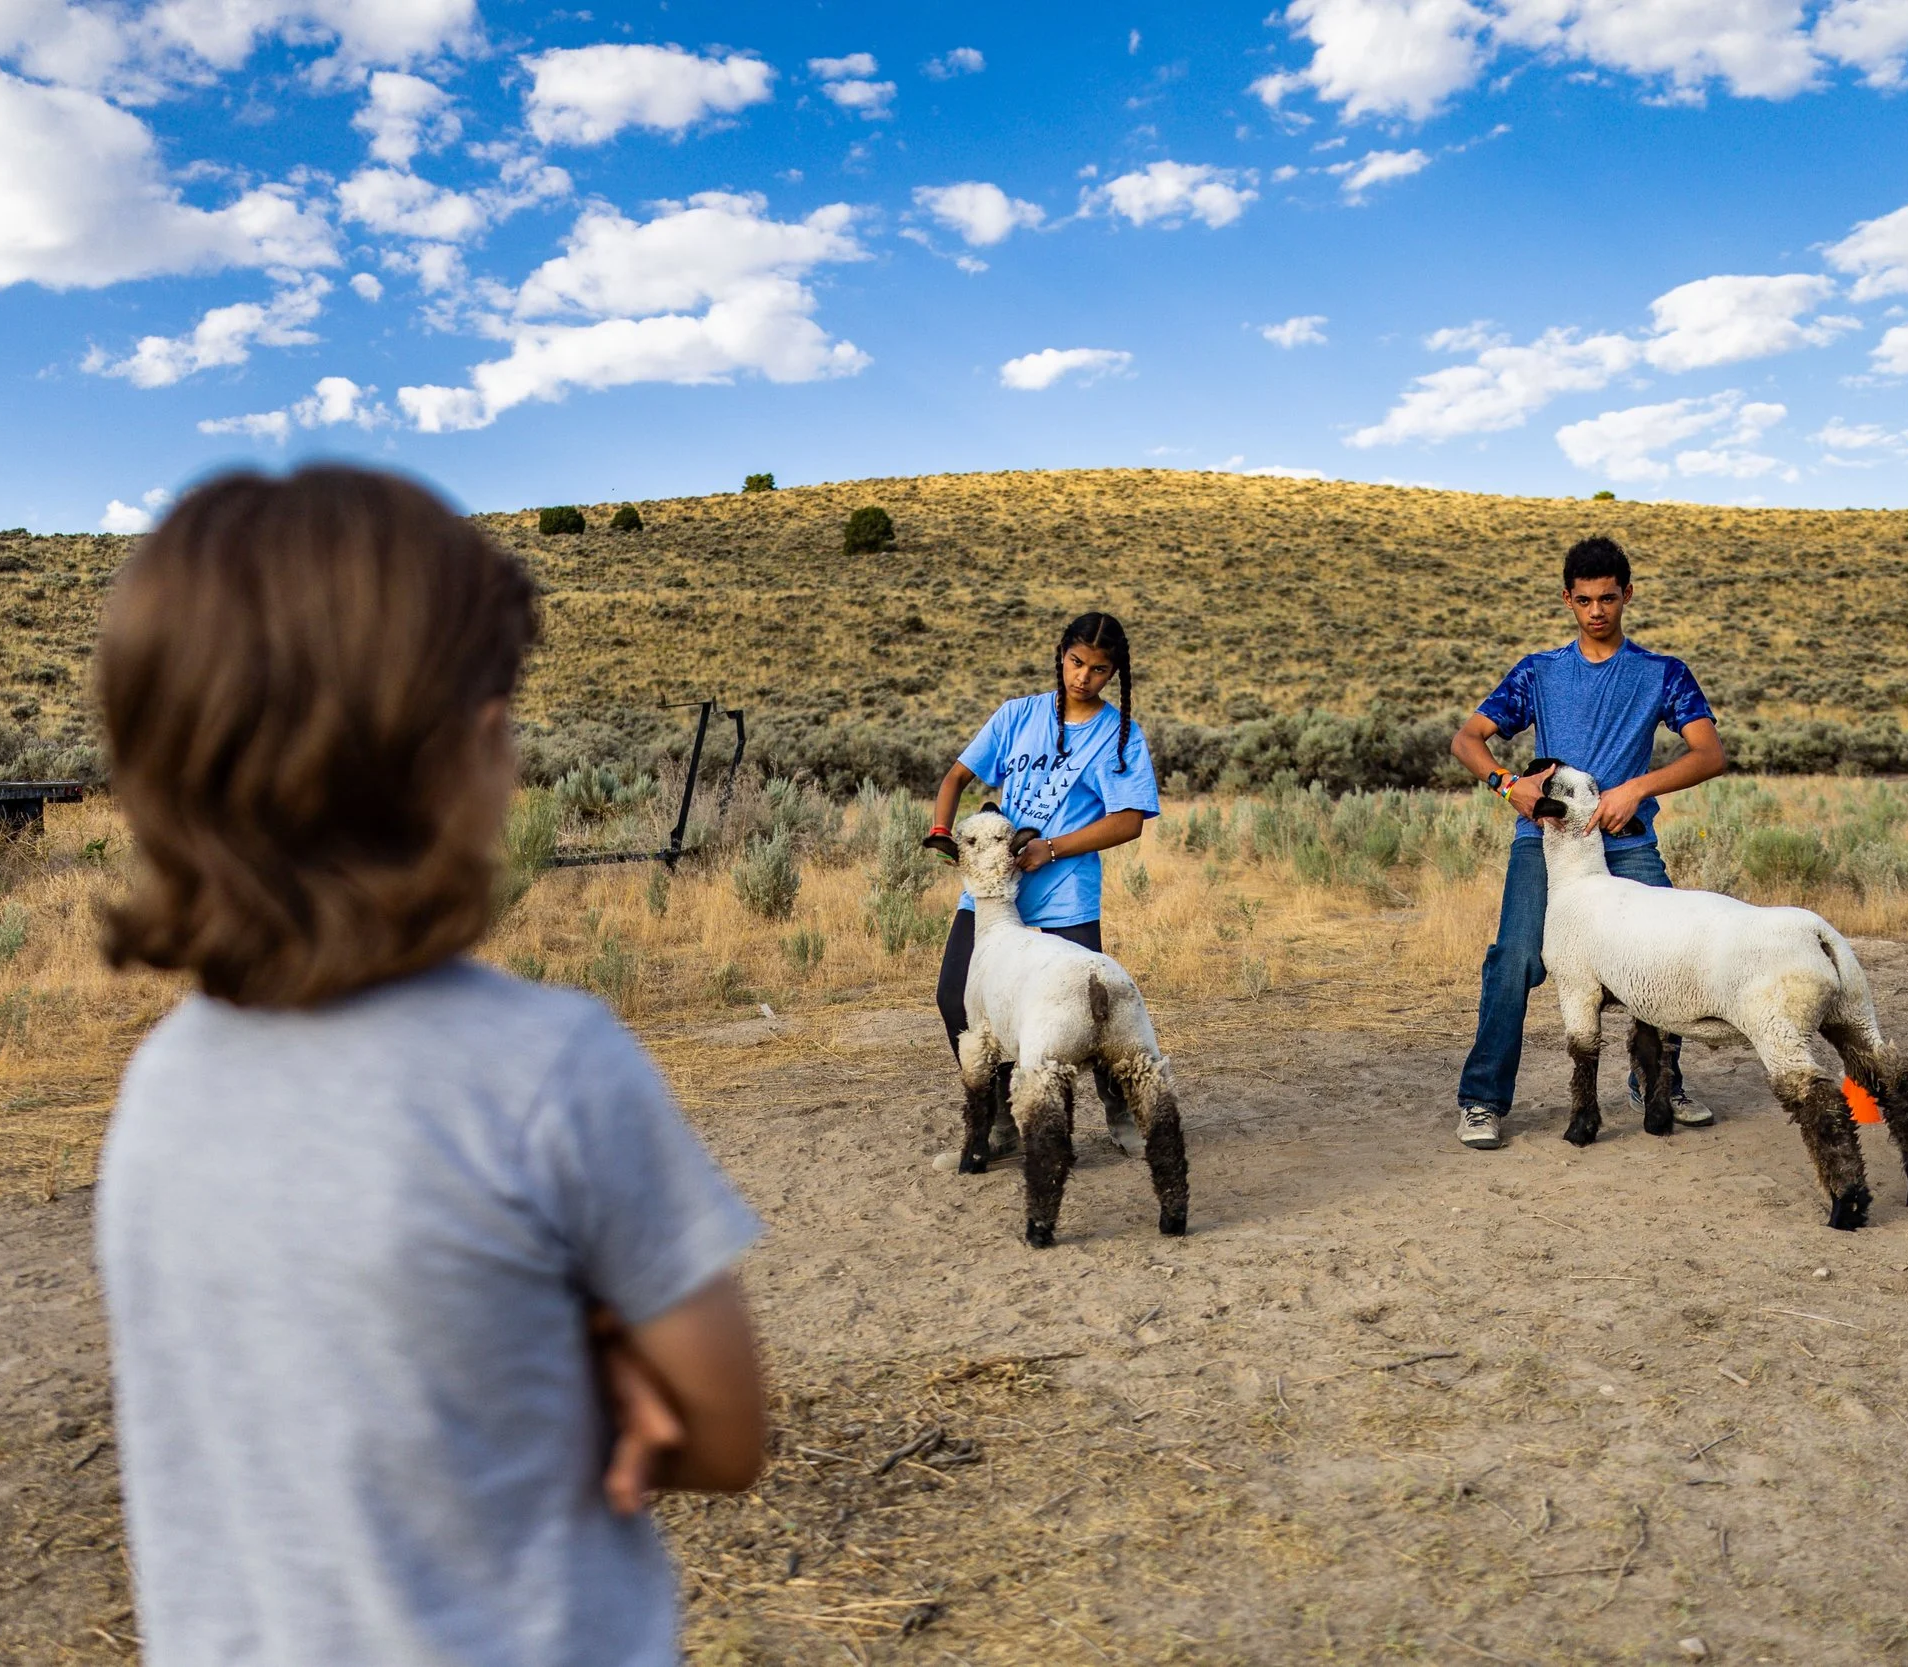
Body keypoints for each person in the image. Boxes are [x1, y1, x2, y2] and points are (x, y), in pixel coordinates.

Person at [92, 465, 767, 1667]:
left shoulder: (160, 1089)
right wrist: (601, 1352)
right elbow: (724, 1429)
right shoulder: (545, 1070)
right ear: (473, 751)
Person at [1451, 534, 1726, 1150]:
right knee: (1516, 958)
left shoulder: (1662, 674)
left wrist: (1634, 790)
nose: (1596, 610)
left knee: (1665, 953)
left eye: (1608, 598)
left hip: (1624, 840)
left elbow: (1709, 754)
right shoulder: (1540, 672)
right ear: (1568, 601)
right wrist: (1507, 786)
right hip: (1545, 842)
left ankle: (1657, 1081)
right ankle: (1482, 1100)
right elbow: (1467, 739)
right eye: (1583, 600)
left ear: (1627, 595)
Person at [929, 611, 1162, 1165]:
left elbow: (1128, 821)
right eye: (1076, 662)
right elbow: (957, 777)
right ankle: (1001, 1125)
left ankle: (1123, 1113)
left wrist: (1050, 848)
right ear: (1061, 655)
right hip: (995, 891)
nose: (1083, 677)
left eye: (1099, 669)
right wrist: (943, 832)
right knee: (956, 1001)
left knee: (1091, 1003)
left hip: (1065, 891)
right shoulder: (1017, 716)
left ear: (1114, 675)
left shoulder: (1119, 735)